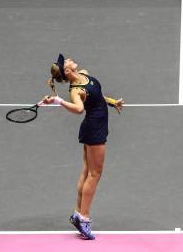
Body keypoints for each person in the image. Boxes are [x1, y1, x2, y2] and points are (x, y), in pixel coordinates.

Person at [41, 53, 123, 240]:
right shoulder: (76, 90)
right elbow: (79, 109)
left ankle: (78, 212)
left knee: (88, 171)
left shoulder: (84, 75)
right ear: (68, 71)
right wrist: (58, 101)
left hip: (96, 126)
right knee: (95, 174)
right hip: (94, 129)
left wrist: (112, 102)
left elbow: (98, 96)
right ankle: (83, 218)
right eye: (66, 62)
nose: (68, 59)